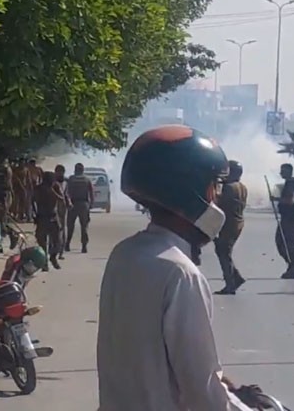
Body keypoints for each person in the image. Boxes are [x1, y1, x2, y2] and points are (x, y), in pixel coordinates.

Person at [97, 125, 264, 411]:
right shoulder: (180, 273)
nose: (217, 200)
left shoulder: (124, 254)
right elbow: (202, 391)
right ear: (189, 191)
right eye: (215, 188)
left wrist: (229, 388)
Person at [213, 160, 248, 295]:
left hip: (229, 224)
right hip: (238, 222)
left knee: (223, 254)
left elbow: (218, 203)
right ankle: (236, 278)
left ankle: (230, 284)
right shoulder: (242, 187)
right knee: (224, 252)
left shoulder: (229, 188)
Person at [272, 163, 294, 279]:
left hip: (290, 219)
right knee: (285, 243)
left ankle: (293, 267)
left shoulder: (291, 183)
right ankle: (292, 266)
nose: (281, 173)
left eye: (283, 171)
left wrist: (278, 200)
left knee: (285, 243)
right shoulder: (293, 183)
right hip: (290, 218)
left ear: (289, 172)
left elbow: (290, 200)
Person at [33, 171, 64, 270]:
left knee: (57, 241)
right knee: (42, 242)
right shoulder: (38, 189)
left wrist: (52, 191)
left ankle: (53, 257)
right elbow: (32, 201)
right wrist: (34, 214)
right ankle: (44, 262)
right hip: (42, 217)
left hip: (53, 217)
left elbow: (61, 199)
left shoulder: (55, 187)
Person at [66, 162, 94, 253]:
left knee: (70, 226)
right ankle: (84, 246)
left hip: (73, 204)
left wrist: (68, 203)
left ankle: (67, 244)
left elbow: (67, 192)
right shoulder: (87, 179)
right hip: (83, 204)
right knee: (84, 226)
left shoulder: (71, 179)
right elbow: (91, 192)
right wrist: (91, 204)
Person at [54, 165, 71, 260]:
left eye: (61, 172)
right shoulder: (51, 181)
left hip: (62, 207)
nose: (60, 174)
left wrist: (69, 202)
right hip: (52, 207)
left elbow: (66, 194)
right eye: (58, 172)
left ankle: (61, 251)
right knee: (54, 229)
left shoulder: (66, 182)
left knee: (62, 229)